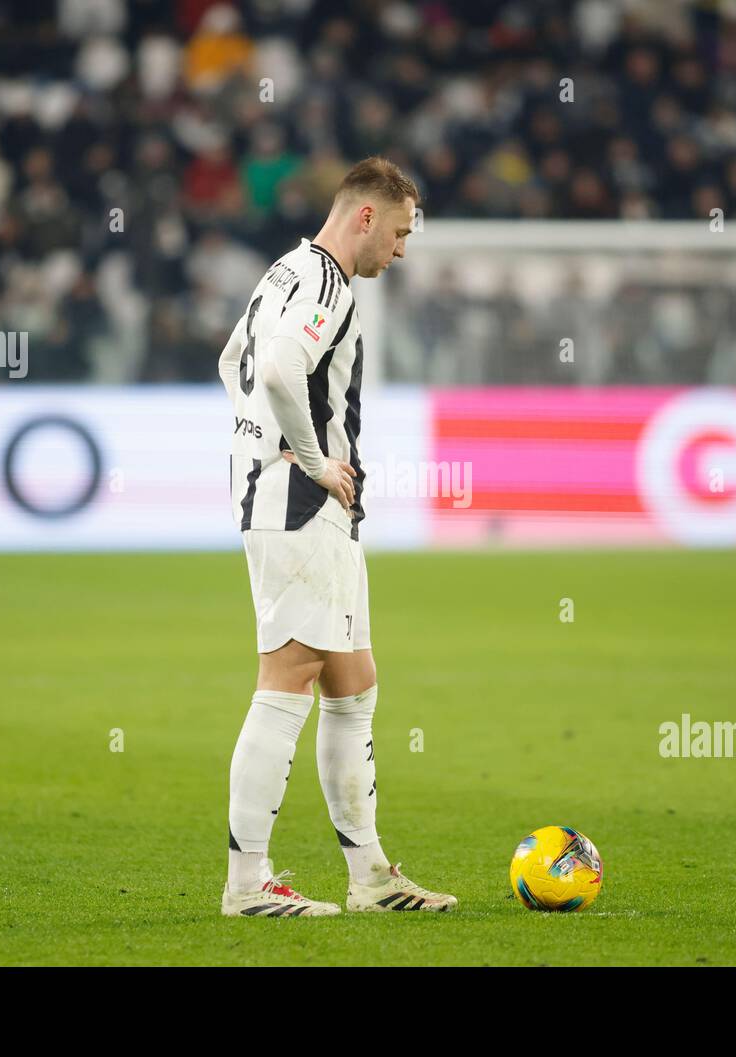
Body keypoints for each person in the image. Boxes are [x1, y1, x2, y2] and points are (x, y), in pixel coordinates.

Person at [216, 156, 457, 916]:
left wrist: (260, 437)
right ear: (365, 218)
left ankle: (371, 876)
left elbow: (234, 361)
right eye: (399, 231)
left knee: (353, 679)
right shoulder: (324, 279)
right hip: (297, 501)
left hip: (301, 499)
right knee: (290, 672)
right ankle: (247, 883)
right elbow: (283, 371)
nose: (402, 248)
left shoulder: (283, 270)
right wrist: (311, 460)